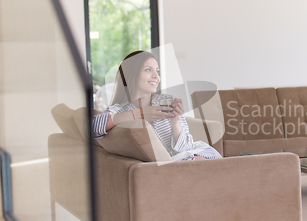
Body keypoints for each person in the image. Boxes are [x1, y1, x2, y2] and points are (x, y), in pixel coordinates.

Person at [92, 51, 222, 161]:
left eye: (157, 71)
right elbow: (93, 127)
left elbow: (186, 148)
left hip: (190, 154)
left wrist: (176, 123)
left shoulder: (167, 101)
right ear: (130, 74)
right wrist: (139, 113)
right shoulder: (119, 109)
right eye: (148, 70)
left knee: (215, 164)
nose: (156, 77)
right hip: (169, 164)